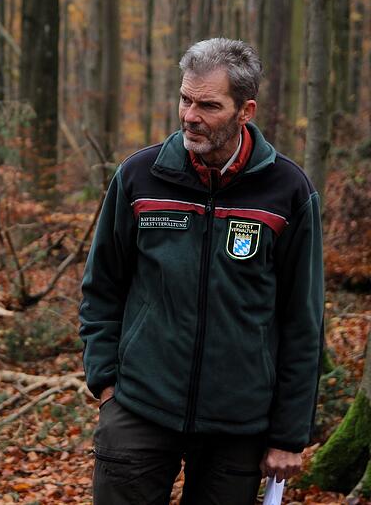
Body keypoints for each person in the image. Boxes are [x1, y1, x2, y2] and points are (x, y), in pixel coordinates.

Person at [79, 38, 323, 505]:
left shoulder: (288, 191)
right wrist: (106, 380)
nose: (190, 115)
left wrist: (289, 433)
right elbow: (102, 285)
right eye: (185, 99)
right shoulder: (140, 176)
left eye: (208, 105)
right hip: (139, 408)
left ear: (245, 110)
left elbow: (302, 320)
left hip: (238, 421)